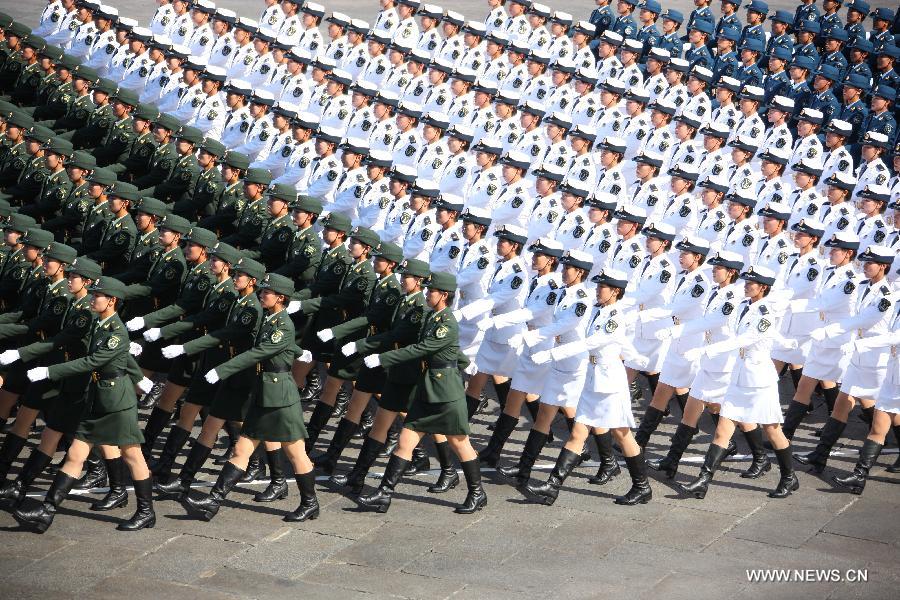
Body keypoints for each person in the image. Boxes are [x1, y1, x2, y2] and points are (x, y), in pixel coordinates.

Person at [14, 277, 156, 533]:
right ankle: (47, 511)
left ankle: (146, 512)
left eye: (97, 296)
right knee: (75, 454)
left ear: (111, 301)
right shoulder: (101, 325)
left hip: (117, 403)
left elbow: (92, 362)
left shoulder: (115, 332)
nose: (92, 299)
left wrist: (50, 371)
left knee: (132, 455)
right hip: (98, 398)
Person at [184, 273, 320, 523]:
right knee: (241, 448)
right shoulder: (271, 318)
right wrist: (300, 351)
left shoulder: (282, 325)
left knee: (296, 453)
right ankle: (214, 500)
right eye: (262, 291)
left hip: (280, 398)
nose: (261, 294)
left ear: (280, 298)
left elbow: (260, 351)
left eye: (266, 292)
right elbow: (279, 346)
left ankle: (310, 503)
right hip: (264, 393)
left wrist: (222, 369)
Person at [356, 272, 486, 514]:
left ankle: (477, 493)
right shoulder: (433, 317)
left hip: (446, 393)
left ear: (443, 295)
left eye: (431, 291)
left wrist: (383, 358)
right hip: (429, 389)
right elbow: (449, 349)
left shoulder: (446, 322)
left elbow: (423, 348)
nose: (427, 294)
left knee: (460, 443)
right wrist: (462, 360)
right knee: (404, 443)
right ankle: (384, 494)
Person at [677, 265, 800, 500]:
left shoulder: (764, 313)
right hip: (739, 376)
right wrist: (783, 341)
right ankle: (703, 480)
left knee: (773, 431)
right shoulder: (744, 306)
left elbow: (746, 338)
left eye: (750, 283)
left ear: (762, 287)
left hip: (759, 381)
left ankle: (789, 477)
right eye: (745, 281)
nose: (745, 285)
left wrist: (706, 352)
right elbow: (734, 334)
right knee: (722, 430)